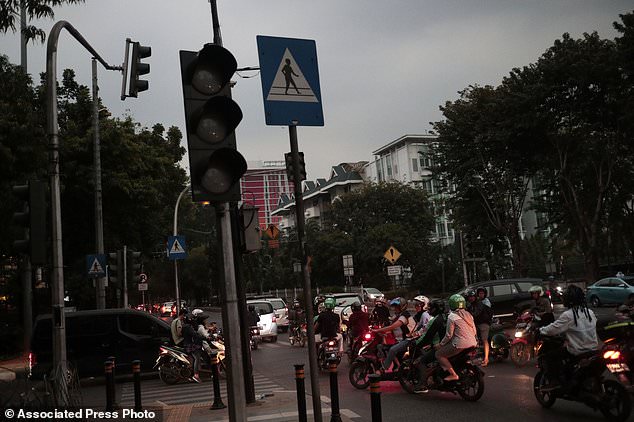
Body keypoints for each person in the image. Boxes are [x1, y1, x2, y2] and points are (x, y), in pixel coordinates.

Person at [538, 284, 598, 391]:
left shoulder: (568, 315)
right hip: (593, 350)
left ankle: (554, 382)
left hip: (577, 351)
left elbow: (552, 329)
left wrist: (541, 330)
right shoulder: (590, 313)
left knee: (550, 356)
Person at [435, 294, 478, 381]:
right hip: (473, 343)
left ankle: (453, 374)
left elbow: (448, 335)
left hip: (460, 344)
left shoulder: (452, 316)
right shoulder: (469, 315)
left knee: (439, 354)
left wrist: (440, 344)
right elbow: (474, 331)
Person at [372, 297, 416, 372]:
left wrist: (377, 330)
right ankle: (397, 366)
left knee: (392, 349)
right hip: (400, 339)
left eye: (397, 307)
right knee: (381, 346)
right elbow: (389, 321)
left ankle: (384, 368)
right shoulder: (398, 315)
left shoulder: (404, 316)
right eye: (395, 306)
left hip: (408, 340)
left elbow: (392, 326)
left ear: (402, 306)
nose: (395, 308)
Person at [413, 299, 447, 392]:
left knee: (422, 361)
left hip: (441, 346)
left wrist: (417, 344)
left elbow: (427, 336)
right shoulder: (447, 317)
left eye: (431, 308)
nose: (429, 310)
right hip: (452, 344)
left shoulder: (436, 320)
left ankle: (422, 385)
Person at [466, 288, 492, 366]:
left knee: (484, 340)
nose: (471, 298)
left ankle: (486, 359)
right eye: (469, 297)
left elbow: (475, 314)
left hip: (483, 323)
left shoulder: (479, 304)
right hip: (475, 324)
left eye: (472, 296)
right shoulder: (470, 304)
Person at [182, 314, 205, 383]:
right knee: (197, 358)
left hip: (187, 344)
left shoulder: (184, 326)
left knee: (193, 358)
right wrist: (203, 338)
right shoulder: (188, 327)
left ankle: (192, 374)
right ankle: (196, 375)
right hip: (190, 345)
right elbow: (194, 335)